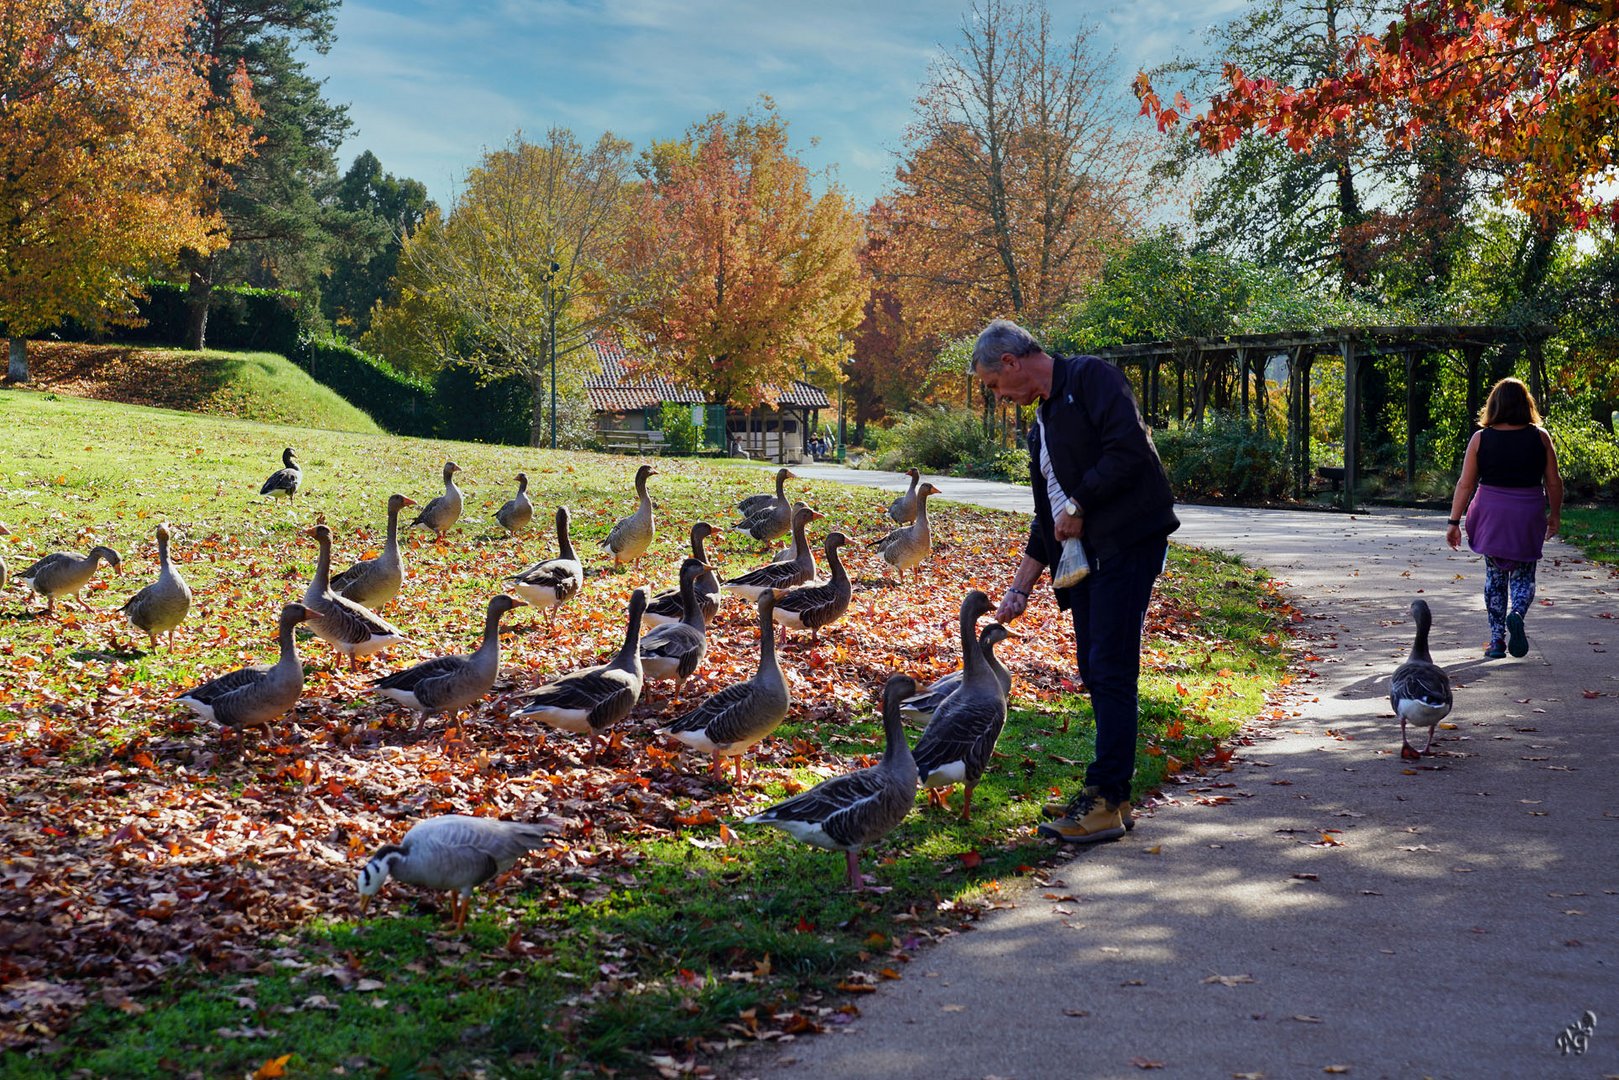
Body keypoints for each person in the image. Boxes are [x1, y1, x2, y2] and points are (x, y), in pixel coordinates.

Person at [972, 319, 1180, 844]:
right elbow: (1049, 519)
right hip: (1086, 559)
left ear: (1012, 362)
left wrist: (1081, 503)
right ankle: (1115, 796)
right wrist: (1019, 587)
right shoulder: (1041, 423)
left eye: (995, 385)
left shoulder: (1091, 378)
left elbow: (1129, 450)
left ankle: (1106, 798)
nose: (999, 397)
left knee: (1110, 669)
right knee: (1095, 668)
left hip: (1128, 544)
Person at [1446, 377, 1562, 658]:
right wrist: (1554, 516)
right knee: (1524, 575)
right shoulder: (1540, 437)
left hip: (1491, 513)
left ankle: (1497, 641)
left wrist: (1453, 522)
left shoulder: (1480, 438)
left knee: (1494, 577)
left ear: (1494, 405)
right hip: (1527, 512)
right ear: (1526, 404)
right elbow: (1554, 482)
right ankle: (1518, 613)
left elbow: (1465, 483)